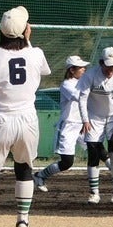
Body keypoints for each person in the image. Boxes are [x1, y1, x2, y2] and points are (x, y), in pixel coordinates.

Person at [0, 6, 50, 227]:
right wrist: (28, 42)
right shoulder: (36, 54)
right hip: (27, 120)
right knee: (24, 169)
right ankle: (22, 222)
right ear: (26, 29)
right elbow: (41, 70)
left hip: (0, 120)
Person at [75, 44, 113, 204]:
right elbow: (82, 98)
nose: (111, 71)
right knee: (93, 153)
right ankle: (94, 193)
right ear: (101, 63)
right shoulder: (91, 75)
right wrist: (85, 120)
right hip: (94, 117)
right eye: (108, 66)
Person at [32, 54, 88, 193]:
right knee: (67, 163)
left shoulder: (84, 83)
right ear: (71, 70)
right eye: (80, 68)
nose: (84, 70)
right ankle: (40, 176)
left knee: (100, 152)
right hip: (68, 126)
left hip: (83, 125)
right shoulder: (66, 85)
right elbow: (78, 97)